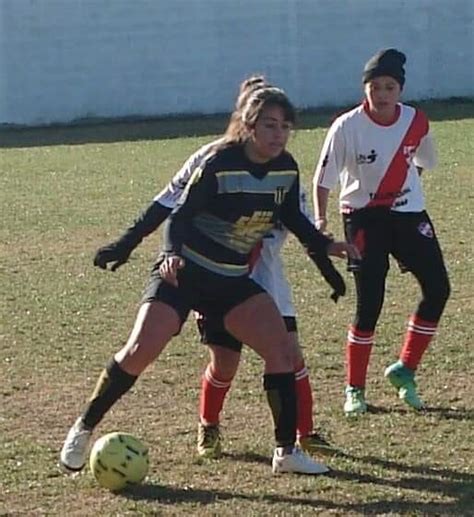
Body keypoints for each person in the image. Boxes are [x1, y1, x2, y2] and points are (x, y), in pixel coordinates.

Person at [60, 85, 359, 475]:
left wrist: (326, 246)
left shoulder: (285, 168)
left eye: (285, 127)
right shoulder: (219, 162)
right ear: (249, 126)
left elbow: (295, 220)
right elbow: (179, 216)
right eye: (269, 125)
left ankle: (286, 453)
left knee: (282, 351)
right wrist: (167, 255)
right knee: (139, 350)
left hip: (232, 281)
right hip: (185, 273)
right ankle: (83, 428)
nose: (278, 134)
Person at [313, 49, 450, 417]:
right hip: (362, 219)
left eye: (389, 86)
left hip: (408, 216)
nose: (382, 93)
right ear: (365, 89)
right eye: (375, 86)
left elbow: (424, 161)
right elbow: (323, 178)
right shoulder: (346, 127)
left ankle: (405, 370)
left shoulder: (416, 122)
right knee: (369, 302)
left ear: (400, 90)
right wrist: (321, 220)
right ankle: (354, 389)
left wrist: (405, 192)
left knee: (438, 288)